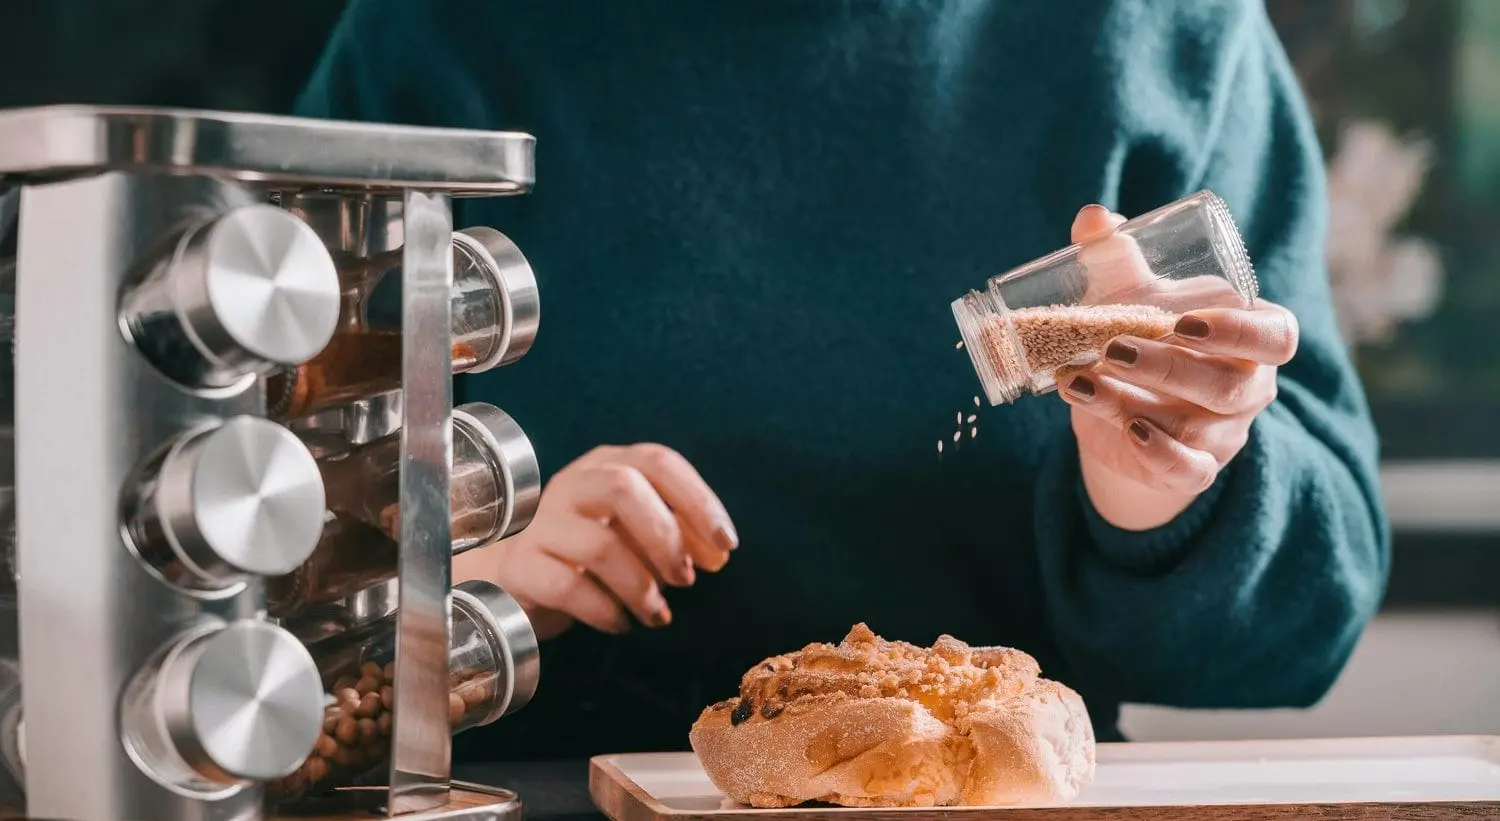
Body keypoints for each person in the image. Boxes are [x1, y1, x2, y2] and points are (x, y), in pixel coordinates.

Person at [294, 0, 1390, 758]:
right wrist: (464, 575)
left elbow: (1312, 619)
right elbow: (242, 513)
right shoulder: (437, 33)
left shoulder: (1167, 31)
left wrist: (1175, 483)